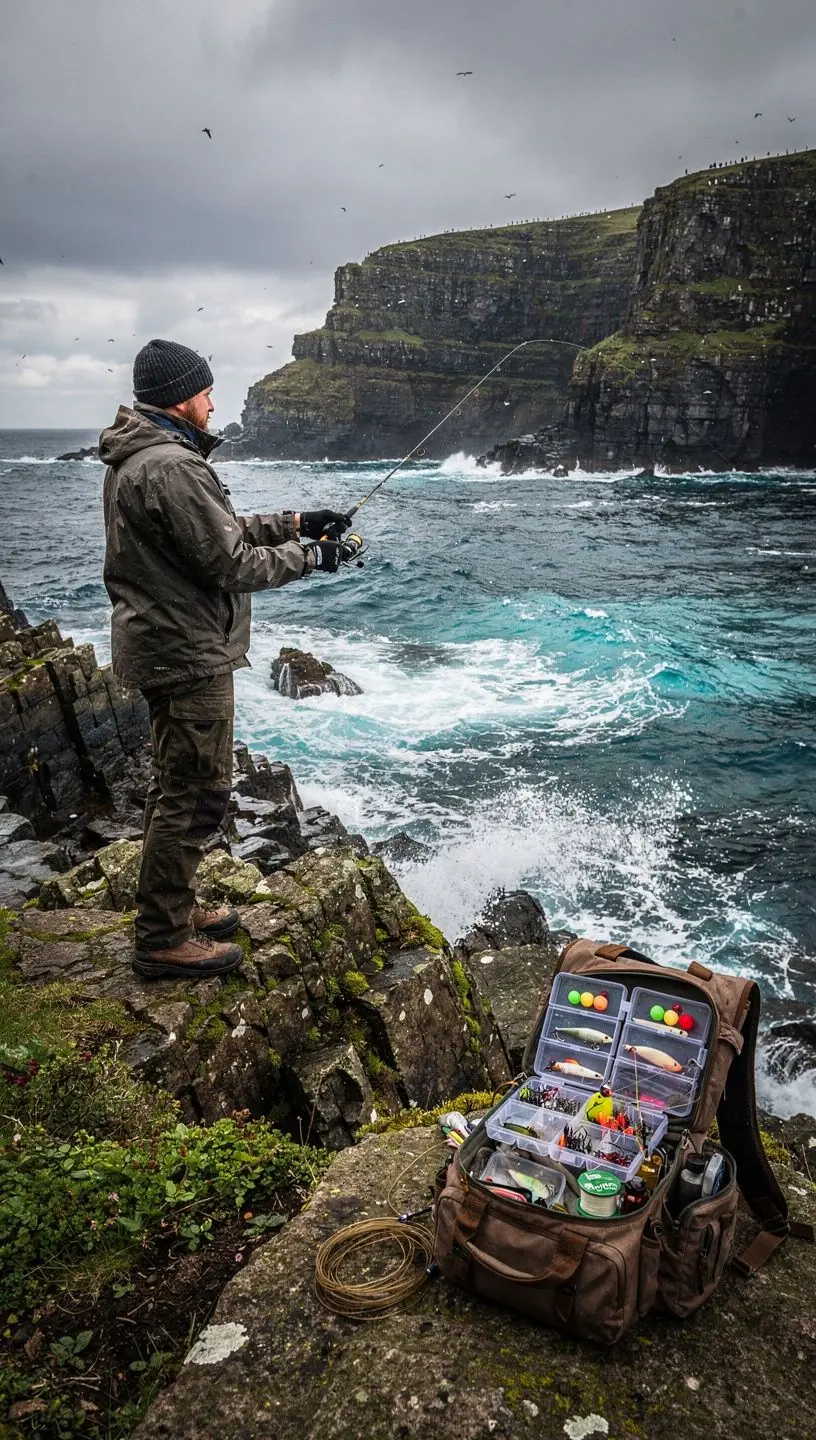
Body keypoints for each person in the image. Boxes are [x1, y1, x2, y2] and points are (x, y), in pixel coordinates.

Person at [100, 338, 350, 980]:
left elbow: (223, 530)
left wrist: (298, 521)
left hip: (166, 644)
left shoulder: (148, 459)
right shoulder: (172, 467)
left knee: (174, 787)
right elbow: (230, 562)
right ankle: (161, 938)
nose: (215, 404)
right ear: (183, 397)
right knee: (197, 793)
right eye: (207, 392)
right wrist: (314, 557)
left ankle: (172, 910)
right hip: (187, 653)